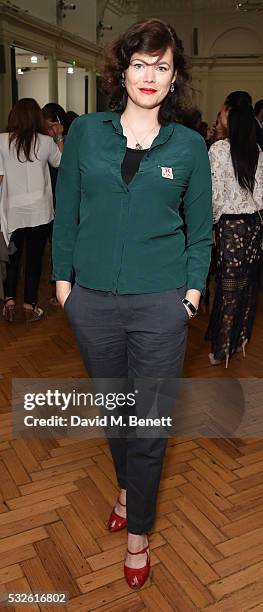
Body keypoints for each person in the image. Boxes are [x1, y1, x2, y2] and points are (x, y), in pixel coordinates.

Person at [52, 18, 212, 589]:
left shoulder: (190, 146)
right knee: (117, 414)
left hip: (161, 307)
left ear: (175, 79)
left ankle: (138, 532)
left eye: (162, 66)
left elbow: (201, 232)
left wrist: (190, 298)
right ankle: (125, 487)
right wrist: (62, 284)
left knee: (149, 422)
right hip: (91, 302)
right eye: (140, 63)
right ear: (122, 71)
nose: (150, 75)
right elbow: (65, 209)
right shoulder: (88, 135)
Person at [206, 91, 263, 367]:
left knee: (227, 288)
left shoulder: (218, 150)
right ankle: (239, 338)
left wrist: (214, 223)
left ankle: (221, 350)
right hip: (253, 226)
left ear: (230, 114)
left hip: (230, 227)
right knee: (246, 286)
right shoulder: (257, 150)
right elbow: (261, 196)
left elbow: (215, 196)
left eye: (223, 111)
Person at [0, 98, 63, 322]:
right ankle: (29, 305)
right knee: (35, 260)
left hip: (12, 210)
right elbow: (60, 163)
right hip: (40, 210)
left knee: (12, 258)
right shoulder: (45, 142)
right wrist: (58, 137)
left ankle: (8, 301)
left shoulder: (2, 141)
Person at [42, 103, 66, 305]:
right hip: (46, 200)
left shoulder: (65, 141)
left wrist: (58, 138)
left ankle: (62, 285)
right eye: (47, 126)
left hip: (63, 199)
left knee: (60, 243)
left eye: (53, 126)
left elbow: (63, 164)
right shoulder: (40, 142)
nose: (49, 131)